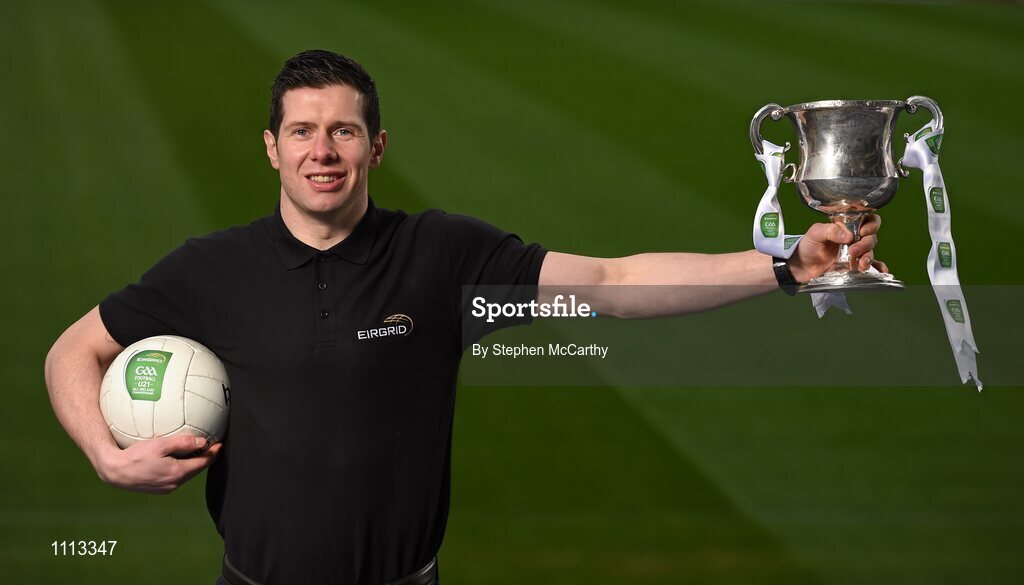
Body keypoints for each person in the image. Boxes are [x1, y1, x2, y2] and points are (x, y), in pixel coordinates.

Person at [43, 50, 884, 585]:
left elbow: (611, 280)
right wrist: (108, 457)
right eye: (301, 131)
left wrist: (785, 263)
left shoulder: (440, 255)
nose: (321, 152)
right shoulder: (211, 268)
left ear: (376, 147)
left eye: (343, 131)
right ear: (271, 147)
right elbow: (73, 350)